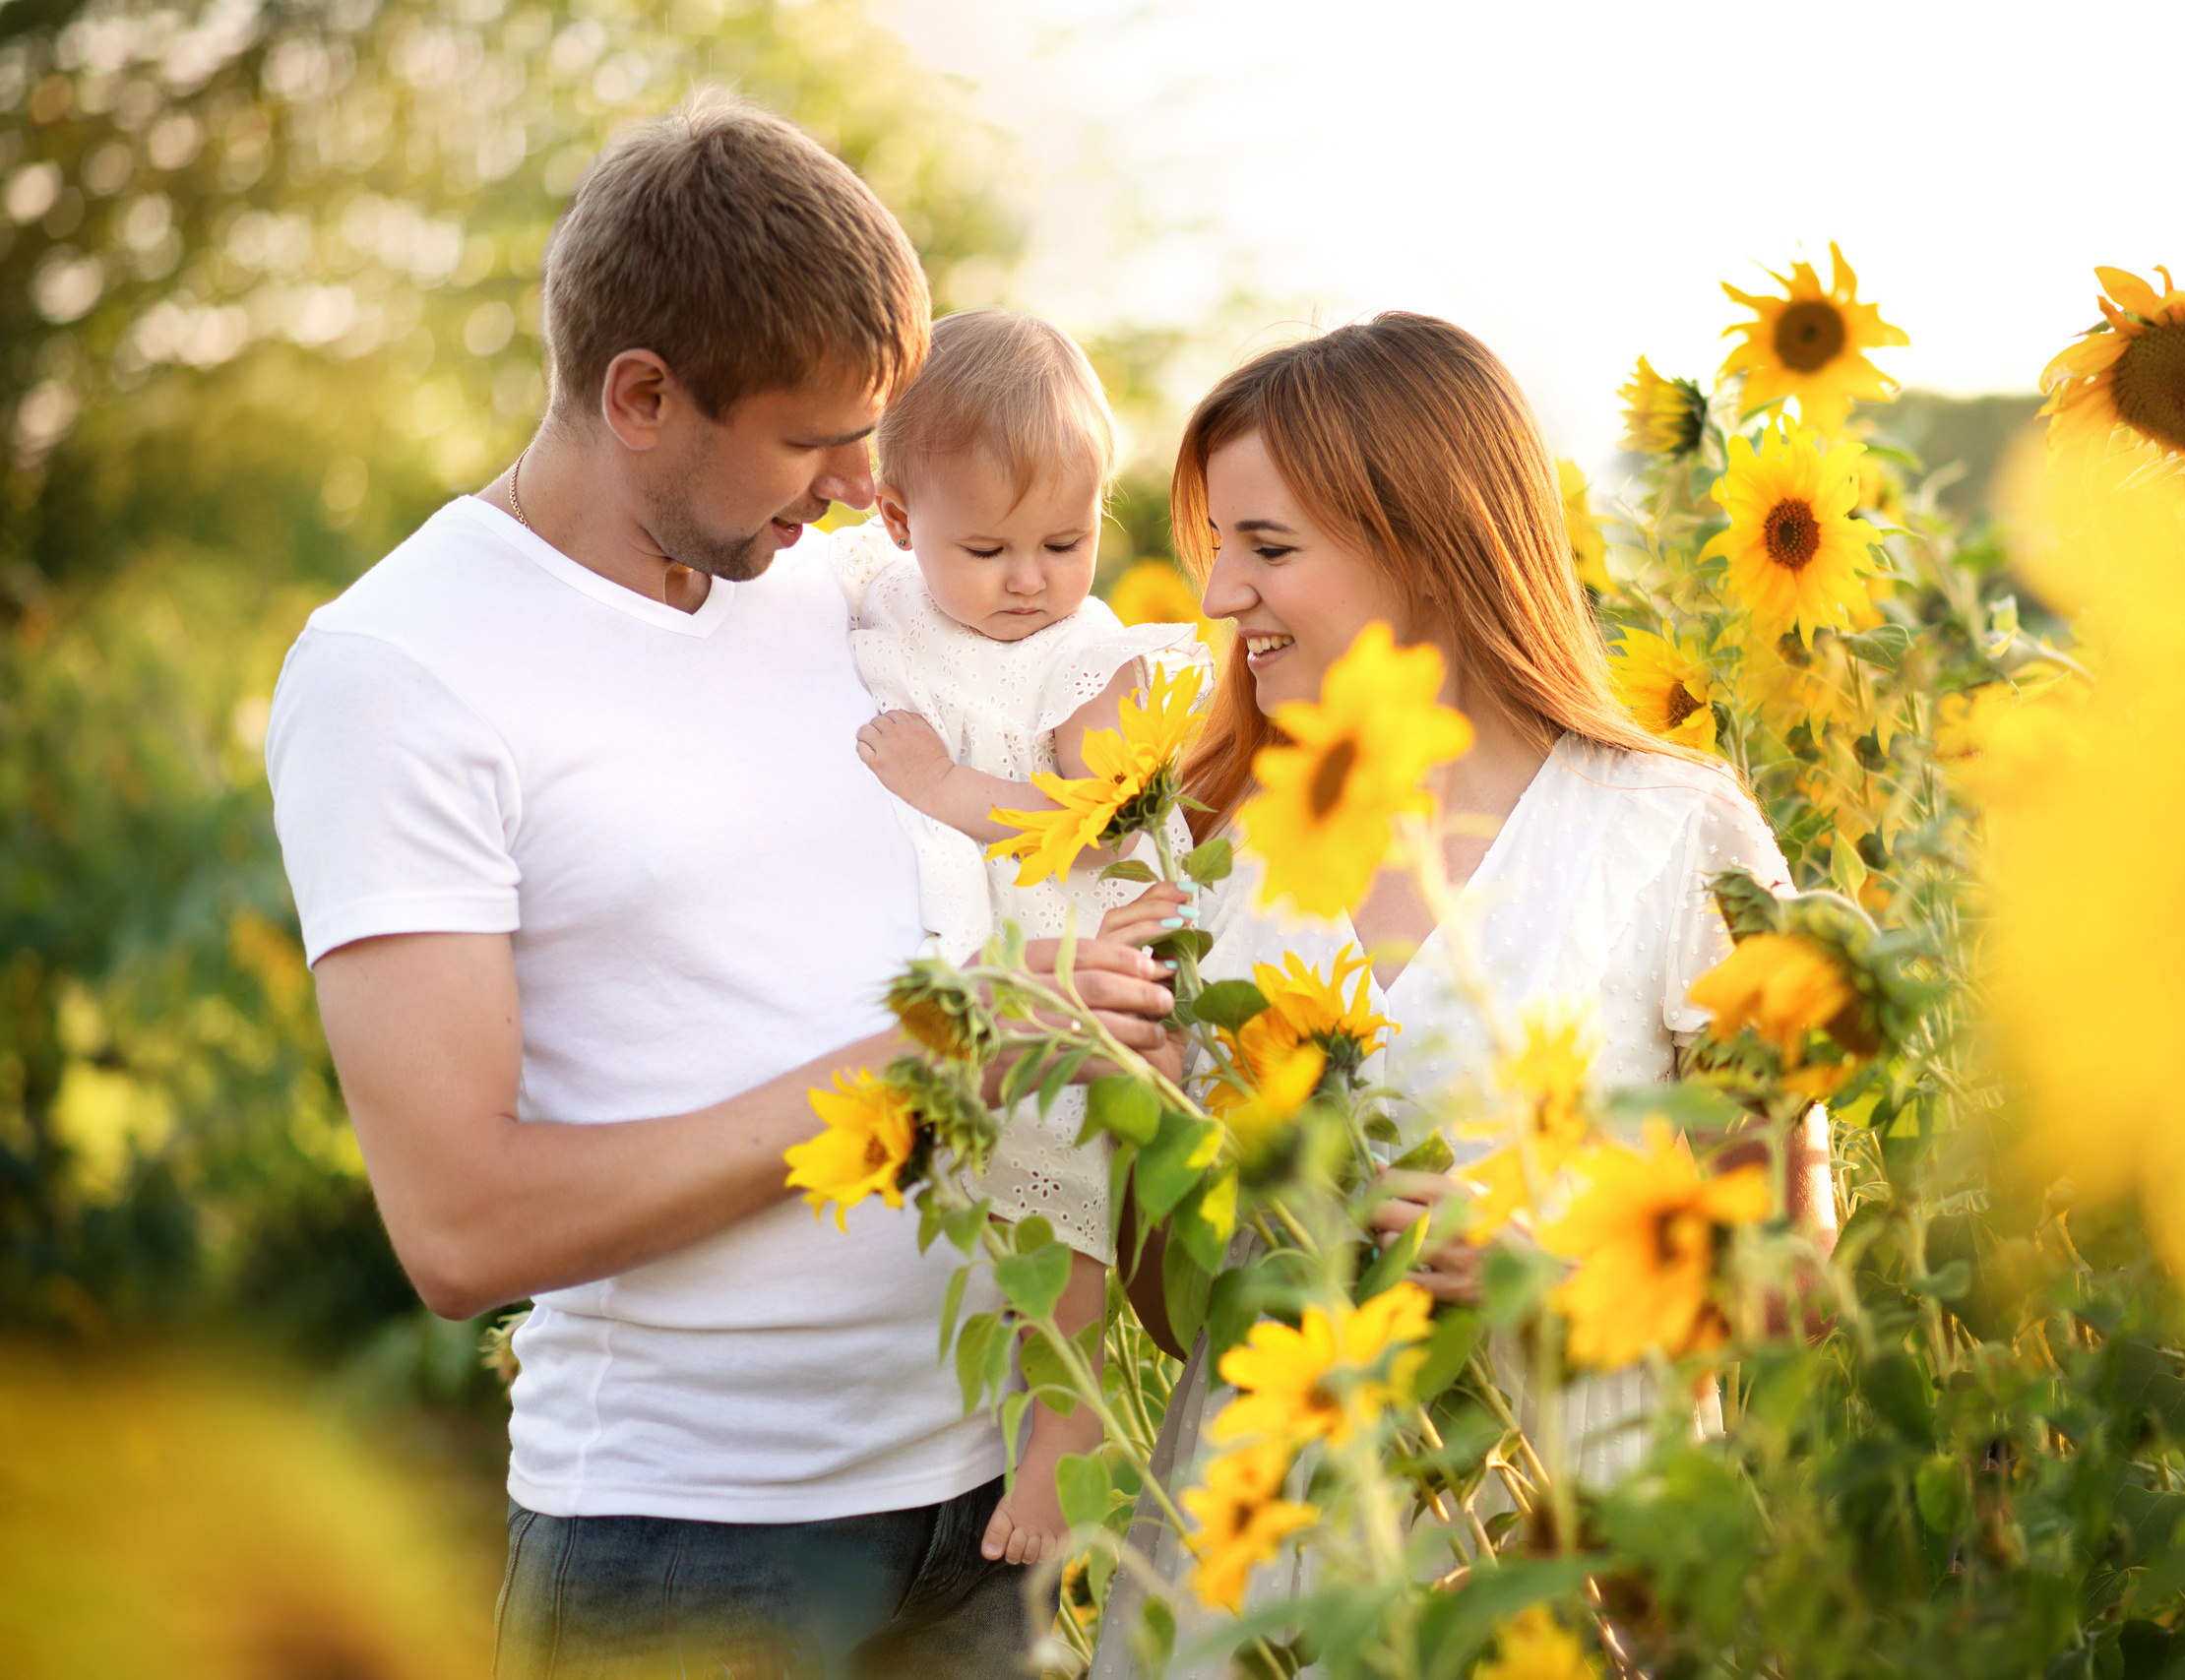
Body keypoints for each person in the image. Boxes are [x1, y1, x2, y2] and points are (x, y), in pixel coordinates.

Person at [264, 92, 1174, 1678]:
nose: (851, 488)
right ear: (640, 394)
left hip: (981, 1511)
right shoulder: (401, 669)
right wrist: (960, 1040)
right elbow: (462, 1224)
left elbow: (1083, 723)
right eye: (816, 440)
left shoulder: (844, 594)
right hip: (692, 1547)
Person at [1090, 313, 1837, 1677]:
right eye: (1217, 547)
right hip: (1253, 1584)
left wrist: (1530, 1286)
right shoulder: (1224, 858)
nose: (1217, 597)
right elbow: (1182, 1308)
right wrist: (1121, 1080)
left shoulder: (1671, 834)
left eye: (1267, 549)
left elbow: (1797, 1286)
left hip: (1553, 1563)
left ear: (1426, 546)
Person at [845, 307, 1206, 1569]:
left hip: (1072, 972)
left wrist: (949, 789)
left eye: (1066, 539)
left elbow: (1088, 815)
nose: (1030, 580)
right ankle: (974, 1411)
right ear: (896, 522)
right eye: (987, 547)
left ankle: (1064, 1446)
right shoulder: (879, 604)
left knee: (1061, 1215)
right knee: (967, 1221)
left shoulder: (1083, 649)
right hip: (959, 985)